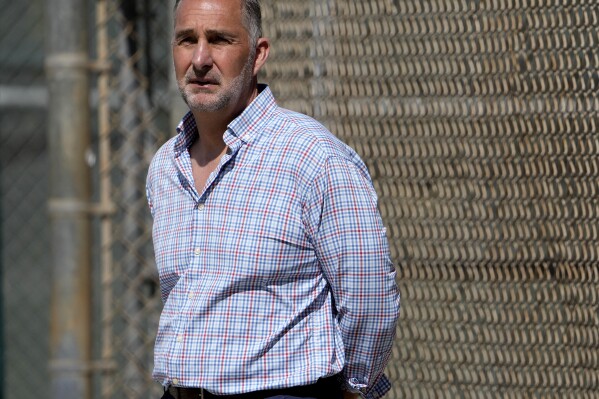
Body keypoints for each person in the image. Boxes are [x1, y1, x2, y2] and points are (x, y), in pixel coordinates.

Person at [146, 0, 400, 398]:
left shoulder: (313, 157)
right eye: (185, 40)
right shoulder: (165, 165)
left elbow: (370, 299)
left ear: (258, 53)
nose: (199, 59)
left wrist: (351, 391)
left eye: (219, 40)